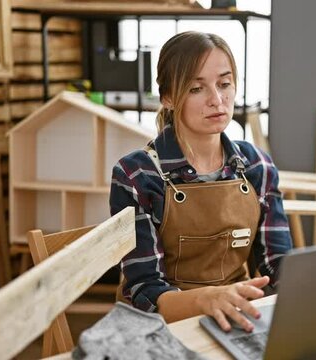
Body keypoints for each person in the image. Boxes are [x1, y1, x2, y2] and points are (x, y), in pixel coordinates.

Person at [109, 31, 292, 333]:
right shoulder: (136, 174)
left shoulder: (257, 165)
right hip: (159, 328)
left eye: (224, 84)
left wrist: (309, 288)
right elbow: (144, 290)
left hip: (235, 318)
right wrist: (206, 299)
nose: (217, 100)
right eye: (196, 88)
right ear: (167, 97)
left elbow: (277, 263)